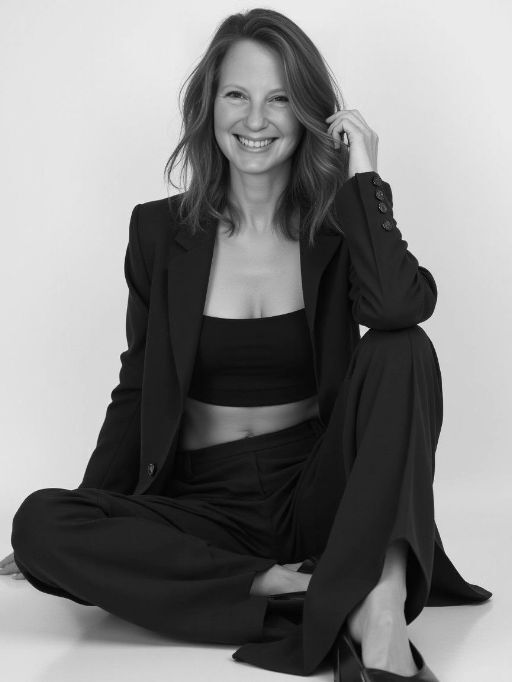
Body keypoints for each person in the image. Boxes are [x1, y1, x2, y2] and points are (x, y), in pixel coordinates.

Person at [2, 8, 491, 681]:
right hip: (205, 505)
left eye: (280, 98)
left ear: (309, 113)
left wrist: (363, 180)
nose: (256, 119)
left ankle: (380, 605)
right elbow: (138, 386)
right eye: (237, 94)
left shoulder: (338, 230)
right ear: (209, 105)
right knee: (37, 522)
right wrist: (93, 522)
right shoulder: (158, 234)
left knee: (402, 347)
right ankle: (283, 584)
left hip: (320, 490)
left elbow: (397, 308)